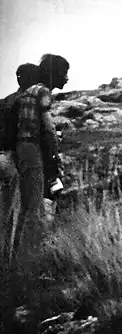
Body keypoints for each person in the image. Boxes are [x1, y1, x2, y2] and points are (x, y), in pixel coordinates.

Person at [11, 54, 68, 266]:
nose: (67, 79)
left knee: (27, 204)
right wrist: (55, 154)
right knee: (35, 205)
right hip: (31, 147)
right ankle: (30, 259)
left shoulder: (28, 91)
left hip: (22, 148)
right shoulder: (42, 92)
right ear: (54, 74)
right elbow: (47, 127)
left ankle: (18, 254)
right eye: (64, 73)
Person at [0, 63, 43, 266]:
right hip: (11, 157)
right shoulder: (25, 101)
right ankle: (9, 261)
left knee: (6, 210)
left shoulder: (7, 100)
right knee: (15, 210)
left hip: (2, 156)